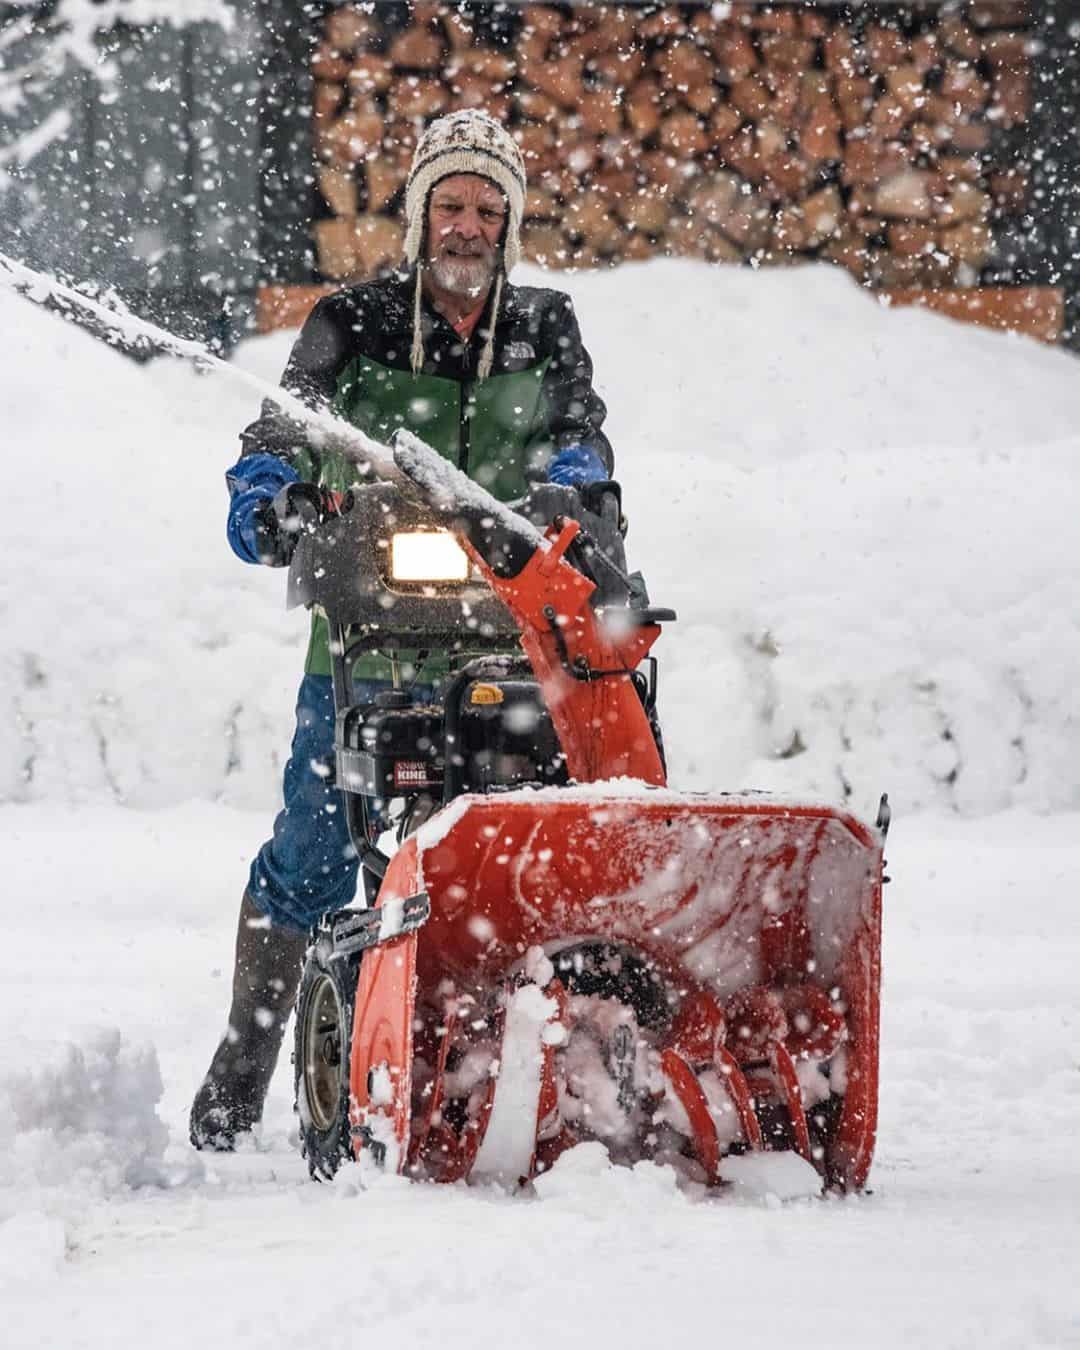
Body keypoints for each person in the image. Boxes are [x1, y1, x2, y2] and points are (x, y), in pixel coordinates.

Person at [190, 109, 616, 1149]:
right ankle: (247, 1059)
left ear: (509, 224)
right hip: (366, 639)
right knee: (311, 847)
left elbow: (583, 443)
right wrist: (275, 502)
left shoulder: (546, 326)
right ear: (420, 212)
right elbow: (276, 433)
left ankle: (536, 1051)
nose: (468, 225)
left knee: (535, 845)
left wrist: (570, 502)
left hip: (509, 639)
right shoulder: (351, 321)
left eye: (488, 208)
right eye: (451, 204)